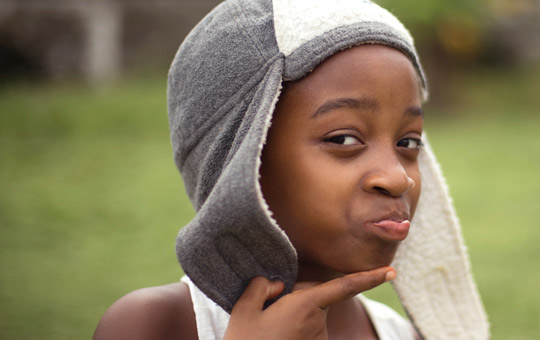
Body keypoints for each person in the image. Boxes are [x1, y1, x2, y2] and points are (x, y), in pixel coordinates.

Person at [94, 0, 488, 339]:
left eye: (408, 143)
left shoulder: (405, 335)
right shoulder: (157, 325)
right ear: (242, 159)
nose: (397, 177)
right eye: (343, 139)